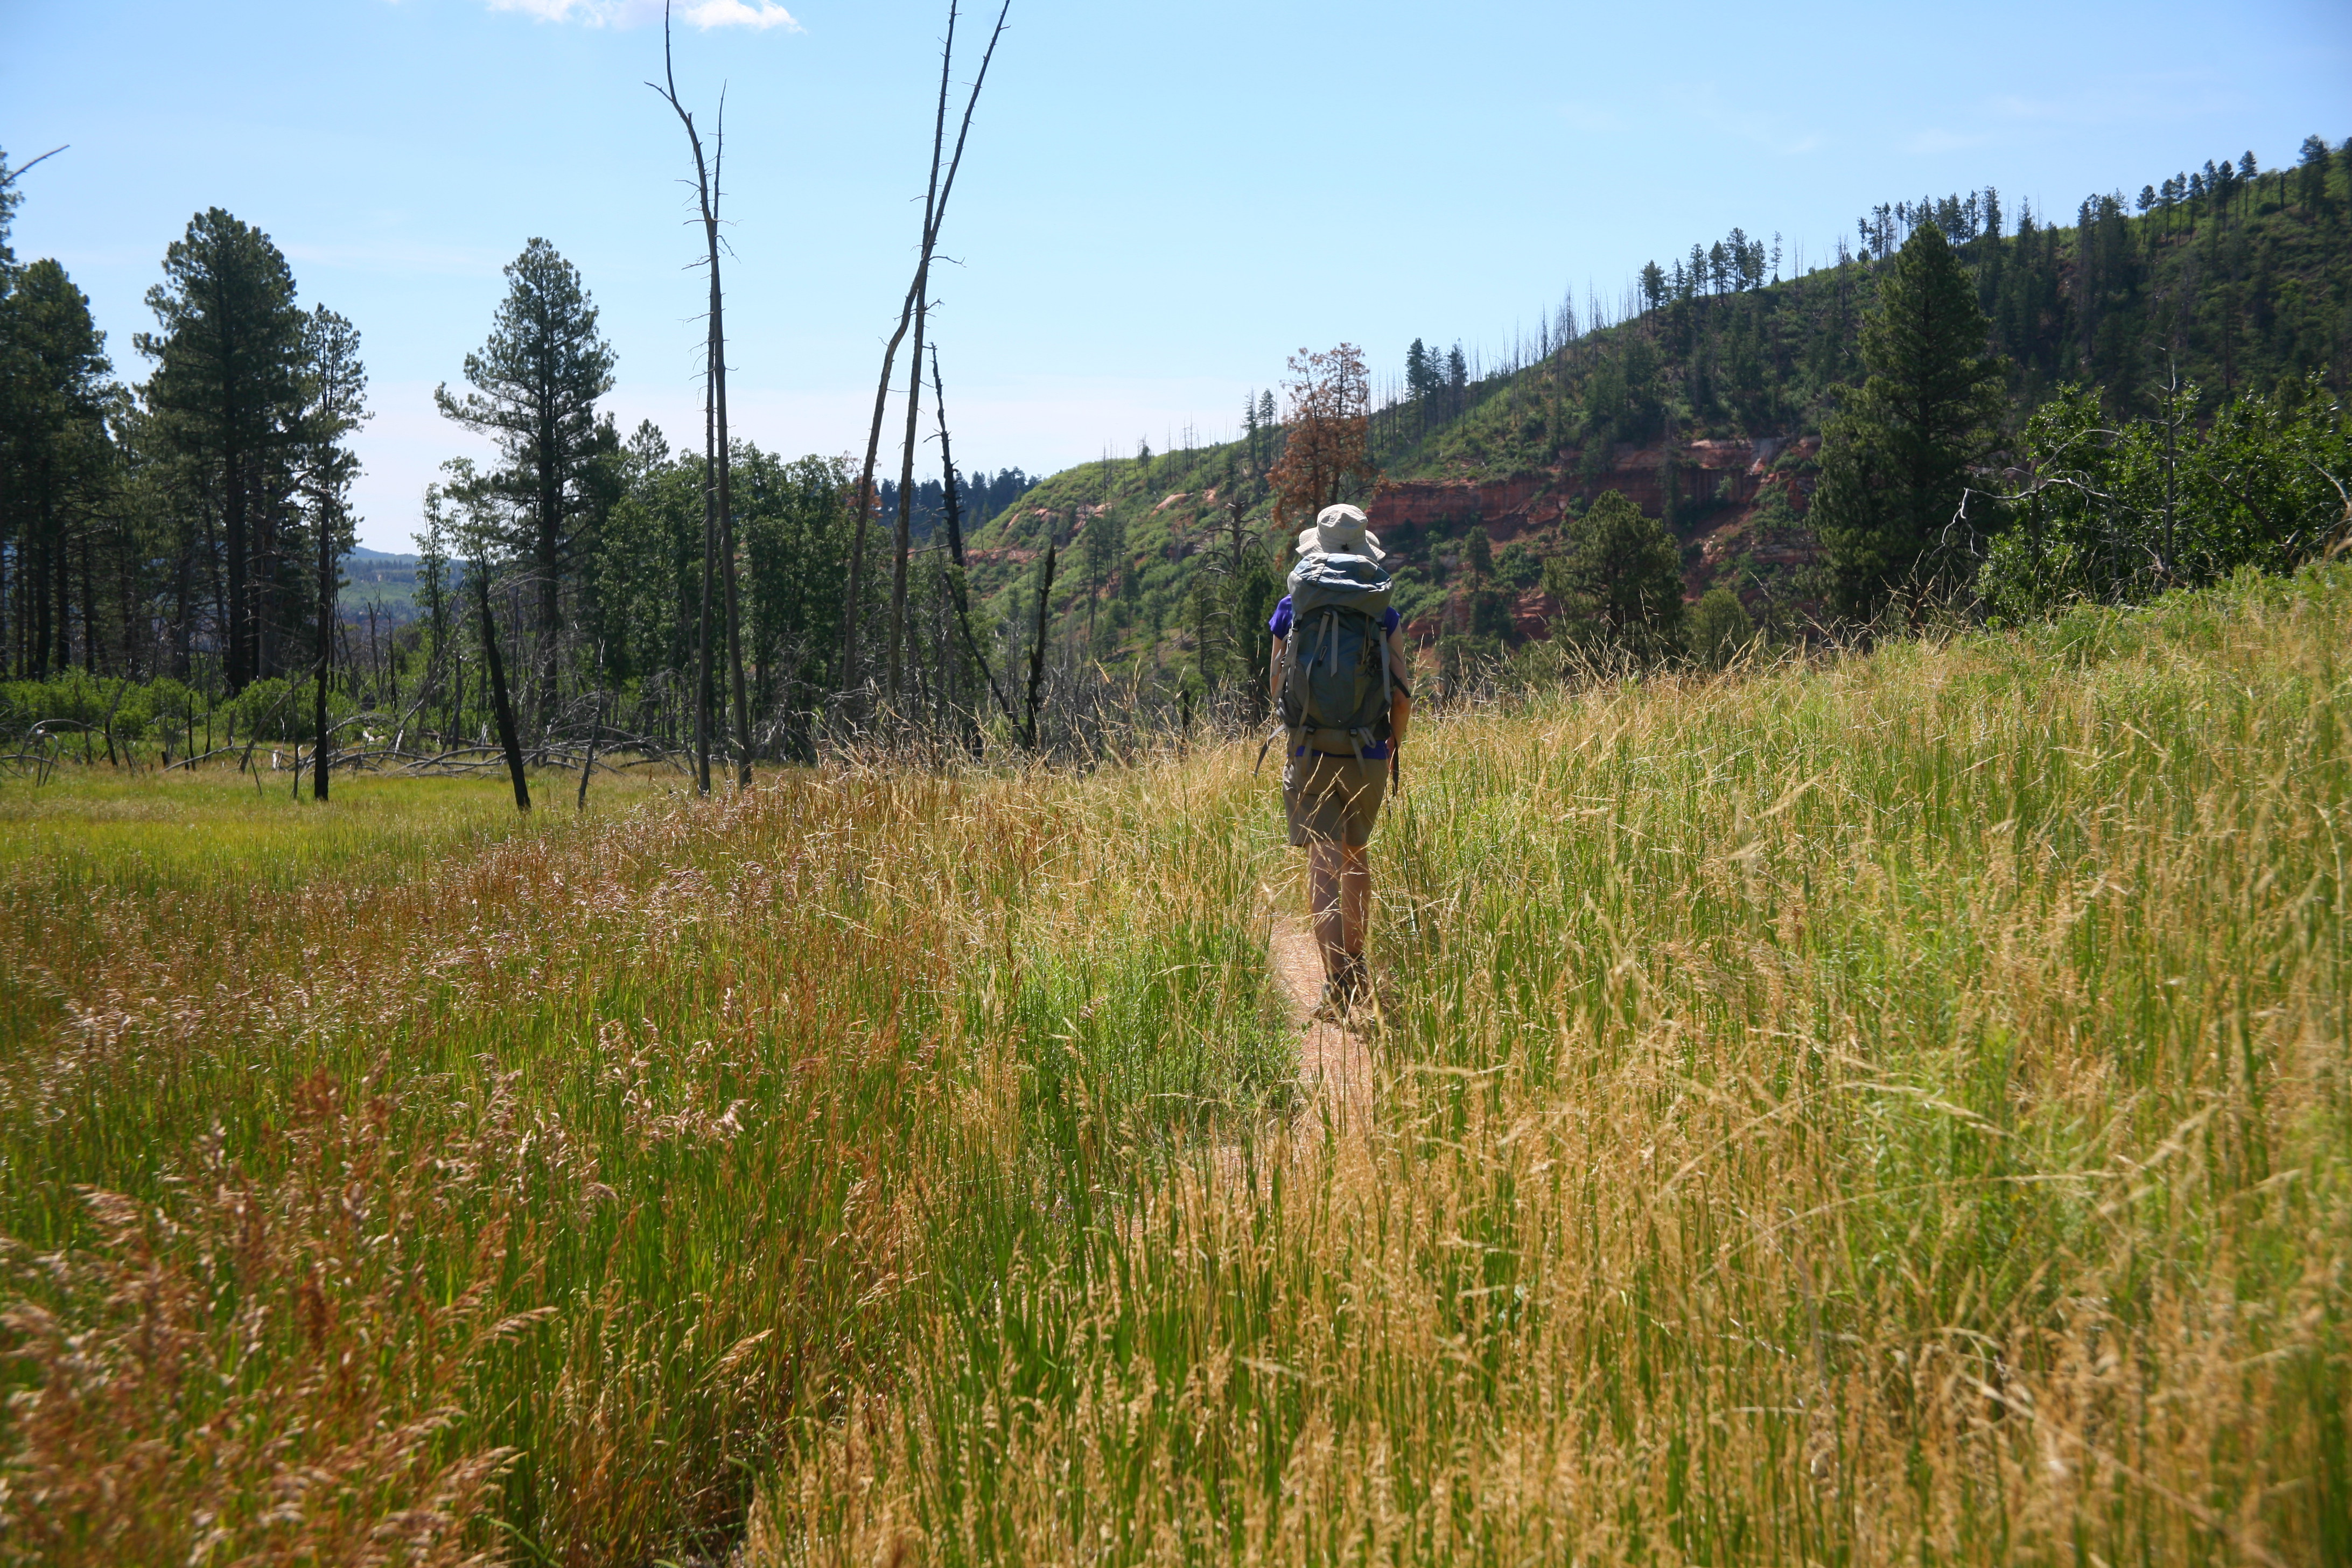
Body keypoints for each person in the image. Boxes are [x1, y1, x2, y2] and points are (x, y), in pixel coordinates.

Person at [1266, 503, 1412, 1013]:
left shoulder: (1293, 607)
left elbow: (1277, 681)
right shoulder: (1382, 609)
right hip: (1368, 748)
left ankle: (1335, 985)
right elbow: (1401, 695)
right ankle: (1357, 967)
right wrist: (1391, 745)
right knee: (1356, 857)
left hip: (1309, 747)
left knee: (1323, 862)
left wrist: (1298, 730)